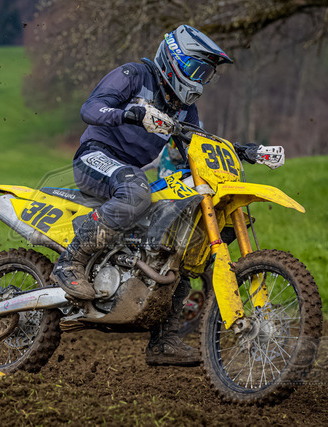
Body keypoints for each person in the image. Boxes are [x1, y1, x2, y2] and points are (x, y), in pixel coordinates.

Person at [51, 25, 233, 366]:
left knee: (179, 237)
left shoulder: (183, 109)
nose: (200, 81)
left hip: (129, 171)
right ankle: (69, 261)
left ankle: (164, 340)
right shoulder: (134, 76)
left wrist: (243, 150)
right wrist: (129, 113)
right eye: (197, 70)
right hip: (95, 155)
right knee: (136, 190)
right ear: (175, 60)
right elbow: (90, 109)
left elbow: (198, 145)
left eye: (206, 75)